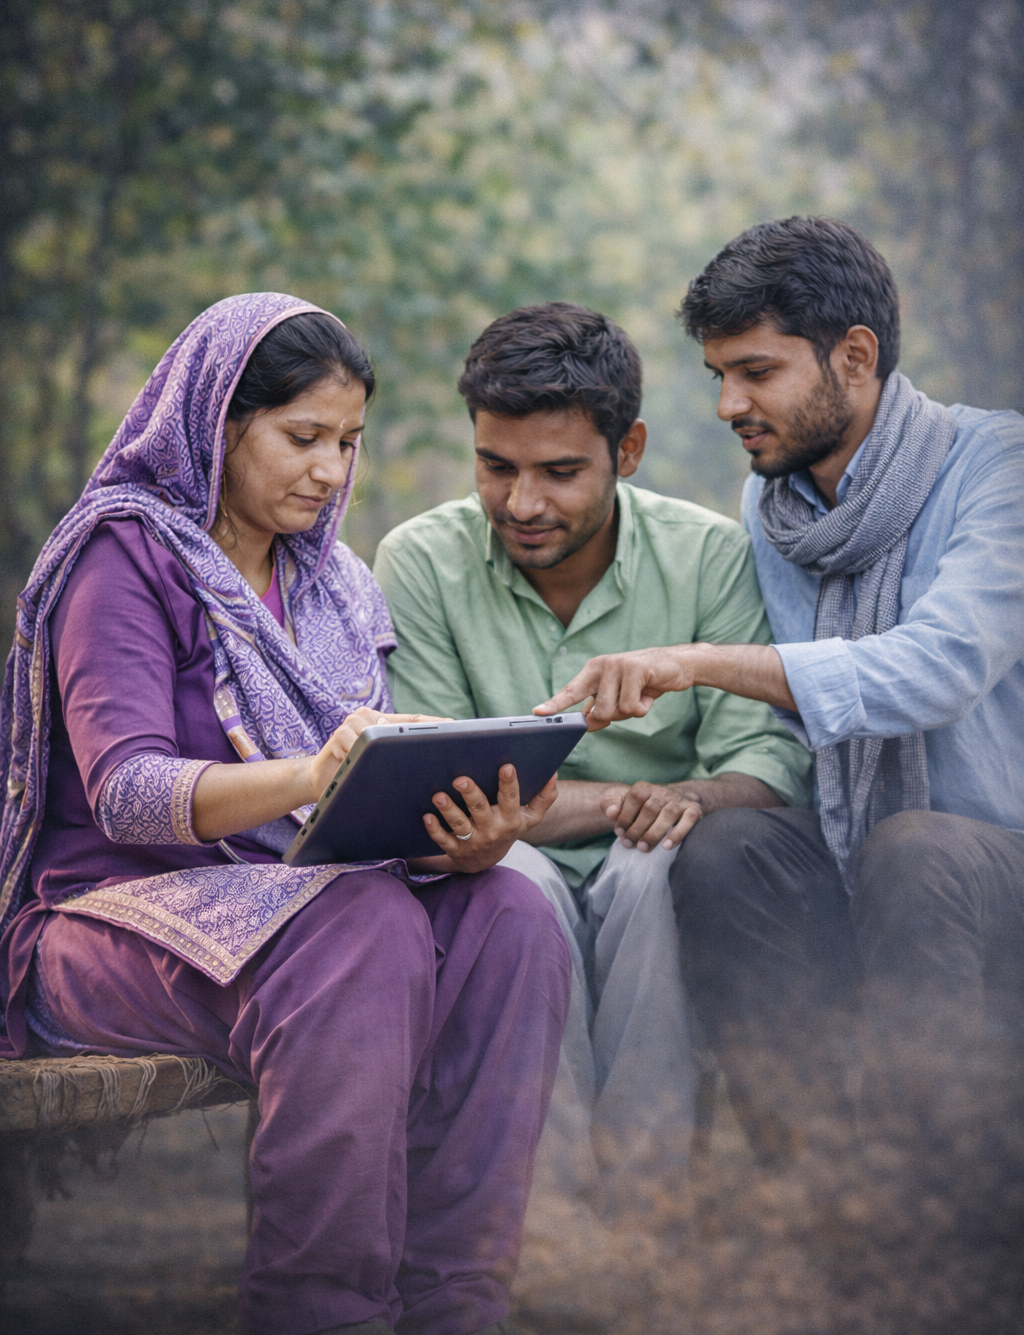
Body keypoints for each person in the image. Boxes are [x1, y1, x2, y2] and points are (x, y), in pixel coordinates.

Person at [0, 292, 571, 1335]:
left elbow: (367, 820)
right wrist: (316, 773)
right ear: (217, 422)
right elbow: (126, 791)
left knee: (512, 917)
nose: (330, 470)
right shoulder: (124, 558)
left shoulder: (337, 587)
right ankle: (324, 1314)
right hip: (106, 926)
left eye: (347, 442)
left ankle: (456, 1310)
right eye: (302, 437)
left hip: (304, 914)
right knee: (361, 926)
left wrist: (463, 839)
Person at [536, 218, 1024, 1170]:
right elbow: (780, 736)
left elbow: (937, 669)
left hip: (992, 849)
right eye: (719, 374)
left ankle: (930, 1208)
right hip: (852, 842)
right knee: (721, 850)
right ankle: (804, 1183)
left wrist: (698, 659)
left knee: (915, 850)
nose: (728, 403)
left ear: (855, 355)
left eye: (756, 371)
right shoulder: (780, 506)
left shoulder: (998, 467)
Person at [373, 302, 811, 1208]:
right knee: (517, 888)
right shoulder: (418, 561)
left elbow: (766, 768)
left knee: (655, 874)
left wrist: (673, 805)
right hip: (496, 865)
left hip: (645, 861)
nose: (523, 503)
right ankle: (543, 1228)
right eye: (497, 467)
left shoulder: (711, 558)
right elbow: (443, 795)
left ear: (631, 450)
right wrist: (626, 802)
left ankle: (644, 1218)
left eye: (561, 471)